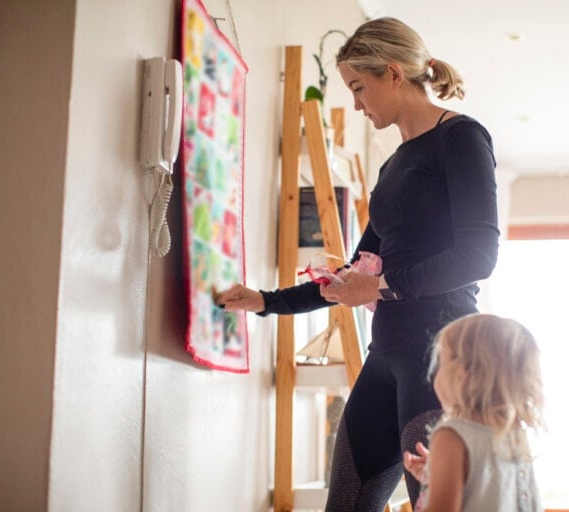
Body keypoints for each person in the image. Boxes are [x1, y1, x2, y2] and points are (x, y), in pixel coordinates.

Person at [215, 17, 499, 511]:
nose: (357, 103)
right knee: (345, 504)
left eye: (359, 88)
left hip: (441, 357)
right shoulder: (393, 167)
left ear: (393, 73)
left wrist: (381, 288)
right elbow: (352, 276)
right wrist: (264, 301)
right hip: (386, 355)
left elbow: (479, 256)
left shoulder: (463, 138)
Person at [403, 314, 545, 512]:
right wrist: (437, 472)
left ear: (463, 374)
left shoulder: (451, 436)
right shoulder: (514, 434)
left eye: (441, 364)